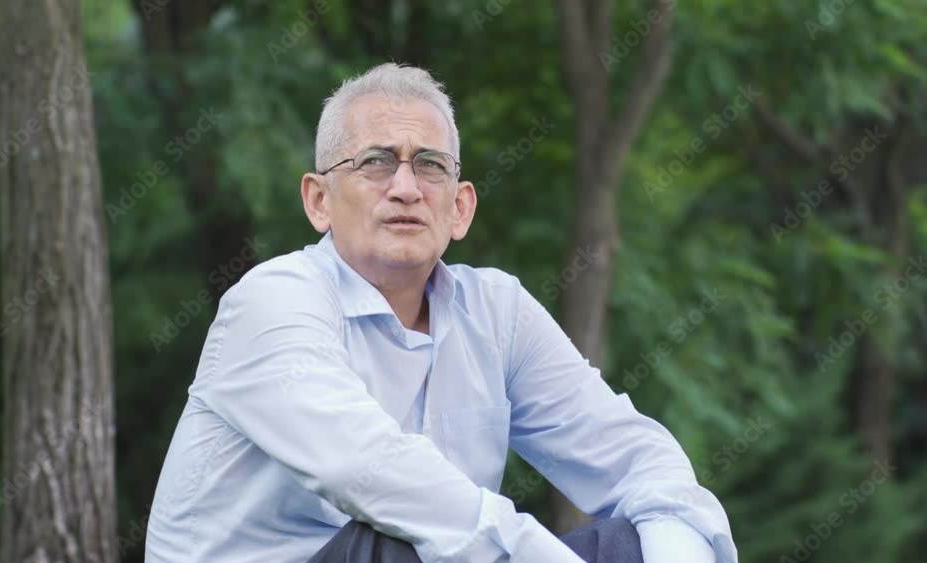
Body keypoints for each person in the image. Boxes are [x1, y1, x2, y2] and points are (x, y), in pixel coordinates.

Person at [145, 63, 736, 563]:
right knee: (398, 542)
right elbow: (374, 474)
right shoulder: (273, 302)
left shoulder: (497, 312)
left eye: (430, 165)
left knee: (630, 544)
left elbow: (639, 459)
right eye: (376, 161)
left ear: (460, 208)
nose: (406, 187)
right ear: (319, 200)